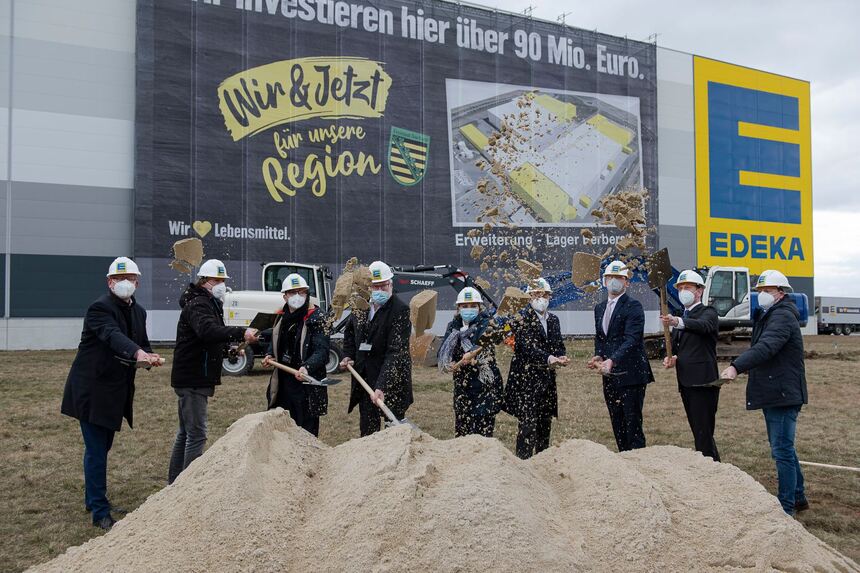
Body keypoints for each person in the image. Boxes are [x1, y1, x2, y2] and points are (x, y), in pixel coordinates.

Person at [61, 257, 163, 530]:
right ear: (109, 282)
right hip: (92, 389)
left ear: (137, 282)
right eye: (119, 279)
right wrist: (138, 352)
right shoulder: (99, 309)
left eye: (130, 278)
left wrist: (149, 356)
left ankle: (93, 498)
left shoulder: (139, 311)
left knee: (102, 448)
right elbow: (112, 336)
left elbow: (140, 343)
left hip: (115, 392)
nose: (125, 283)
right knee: (96, 449)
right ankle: (99, 510)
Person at [720, 270, 809, 516]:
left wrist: (736, 366)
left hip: (782, 392)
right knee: (784, 448)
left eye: (767, 291)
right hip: (776, 390)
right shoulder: (771, 314)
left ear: (780, 293)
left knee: (781, 450)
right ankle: (798, 496)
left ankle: (786, 507)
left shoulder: (781, 317)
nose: (761, 296)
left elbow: (767, 346)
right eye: (759, 291)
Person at [168, 259, 258, 483]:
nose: (221, 284)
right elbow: (207, 331)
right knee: (196, 435)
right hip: (193, 377)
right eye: (217, 280)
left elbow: (209, 339)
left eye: (223, 280)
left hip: (194, 375)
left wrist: (228, 351)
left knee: (186, 433)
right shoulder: (198, 303)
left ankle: (175, 482)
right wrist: (241, 332)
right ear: (204, 281)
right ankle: (187, 485)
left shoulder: (208, 303)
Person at [340, 260, 413, 436]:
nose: (379, 291)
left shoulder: (400, 310)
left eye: (383, 286)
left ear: (391, 284)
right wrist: (349, 354)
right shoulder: (361, 306)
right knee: (368, 430)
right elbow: (350, 332)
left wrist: (382, 386)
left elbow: (396, 352)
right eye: (375, 286)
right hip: (365, 377)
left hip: (391, 380)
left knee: (393, 432)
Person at [588, 260, 654, 452]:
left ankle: (638, 460)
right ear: (604, 280)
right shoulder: (600, 308)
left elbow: (632, 339)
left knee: (632, 423)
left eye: (619, 278)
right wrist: (599, 356)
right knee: (617, 421)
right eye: (611, 277)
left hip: (631, 373)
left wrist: (612, 360)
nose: (615, 281)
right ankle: (624, 460)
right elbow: (601, 337)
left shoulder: (634, 306)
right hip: (609, 375)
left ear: (627, 282)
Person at [503, 277, 569, 459]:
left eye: (544, 294)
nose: (541, 298)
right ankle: (523, 463)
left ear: (549, 296)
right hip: (526, 380)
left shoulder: (553, 320)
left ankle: (542, 460)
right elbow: (525, 347)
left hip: (547, 381)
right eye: (536, 294)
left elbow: (557, 344)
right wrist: (548, 358)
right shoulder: (520, 319)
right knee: (527, 426)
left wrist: (561, 355)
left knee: (544, 424)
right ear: (529, 297)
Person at [661, 270, 721, 461]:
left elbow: (703, 326)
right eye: (680, 288)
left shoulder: (708, 313)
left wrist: (677, 322)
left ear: (699, 291)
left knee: (704, 432)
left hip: (703, 382)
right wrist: (673, 357)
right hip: (686, 382)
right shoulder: (683, 315)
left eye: (688, 287)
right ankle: (709, 464)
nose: (683, 291)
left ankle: (712, 467)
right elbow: (683, 347)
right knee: (698, 430)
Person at [262, 273, 330, 436]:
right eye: (293, 292)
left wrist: (307, 367)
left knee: (305, 433)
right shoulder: (281, 317)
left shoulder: (317, 317)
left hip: (305, 386)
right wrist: (270, 354)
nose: (298, 296)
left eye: (302, 292)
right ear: (285, 296)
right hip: (284, 383)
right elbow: (276, 338)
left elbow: (323, 351)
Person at [439, 287, 504, 437]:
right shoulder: (453, 326)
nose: (469, 309)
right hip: (462, 384)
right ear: (458, 308)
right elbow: (444, 349)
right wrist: (449, 362)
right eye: (465, 306)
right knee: (462, 428)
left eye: (473, 306)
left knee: (483, 428)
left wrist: (473, 354)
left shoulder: (488, 324)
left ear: (479, 307)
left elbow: (491, 341)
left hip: (483, 383)